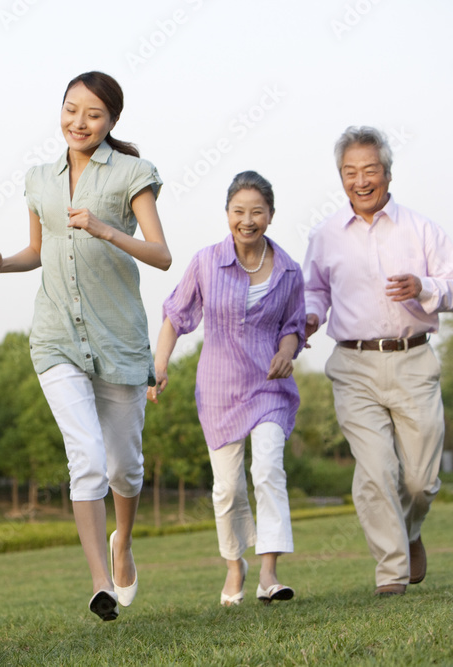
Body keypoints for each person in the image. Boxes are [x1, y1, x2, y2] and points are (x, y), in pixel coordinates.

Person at [0, 71, 171, 621]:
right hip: (56, 337)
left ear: (111, 120)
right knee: (84, 457)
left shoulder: (133, 173)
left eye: (92, 114)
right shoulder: (39, 179)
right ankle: (100, 583)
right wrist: (2, 263)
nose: (78, 122)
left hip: (119, 340)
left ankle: (123, 542)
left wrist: (107, 230)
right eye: (70, 109)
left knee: (124, 469)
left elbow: (161, 254)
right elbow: (38, 250)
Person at [304, 126, 453, 597]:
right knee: (375, 470)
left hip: (413, 363)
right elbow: (314, 290)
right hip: (354, 366)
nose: (360, 180)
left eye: (369, 170)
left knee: (420, 480)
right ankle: (391, 572)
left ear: (387, 172)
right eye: (350, 172)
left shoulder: (421, 228)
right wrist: (309, 315)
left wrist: (424, 287)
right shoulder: (324, 235)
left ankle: (409, 534)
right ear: (341, 177)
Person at [149, 171, 304, 606]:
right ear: (227, 215)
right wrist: (159, 367)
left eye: (257, 211)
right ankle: (236, 565)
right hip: (218, 388)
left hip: (269, 386)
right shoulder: (206, 262)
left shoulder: (289, 269)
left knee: (269, 469)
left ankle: (270, 574)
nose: (247, 220)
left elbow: (293, 326)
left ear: (270, 216)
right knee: (227, 488)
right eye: (239, 211)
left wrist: (287, 352)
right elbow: (175, 316)